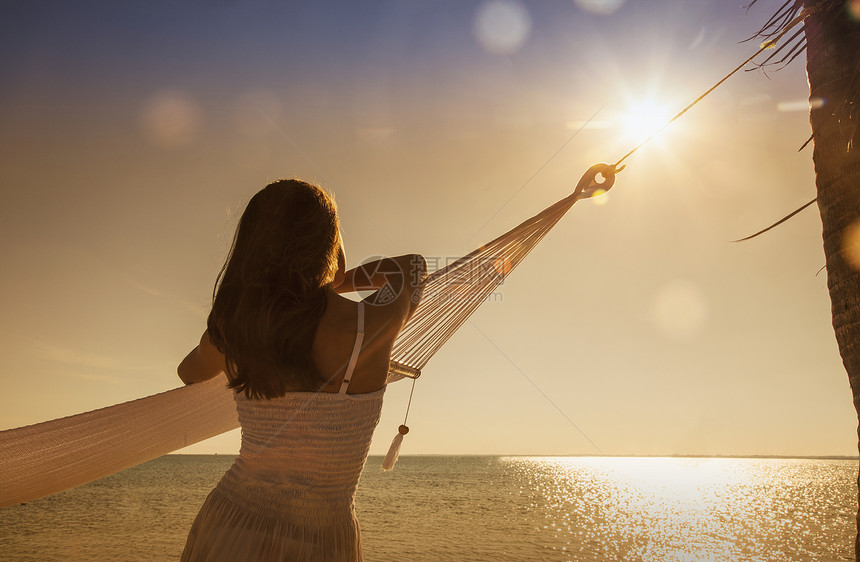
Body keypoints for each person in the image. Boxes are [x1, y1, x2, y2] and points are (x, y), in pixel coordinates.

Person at [177, 178, 425, 561]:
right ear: (331, 246)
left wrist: (282, 295)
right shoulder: (372, 324)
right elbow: (411, 267)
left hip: (230, 524)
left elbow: (190, 374)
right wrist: (335, 280)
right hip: (320, 539)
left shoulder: (235, 328)